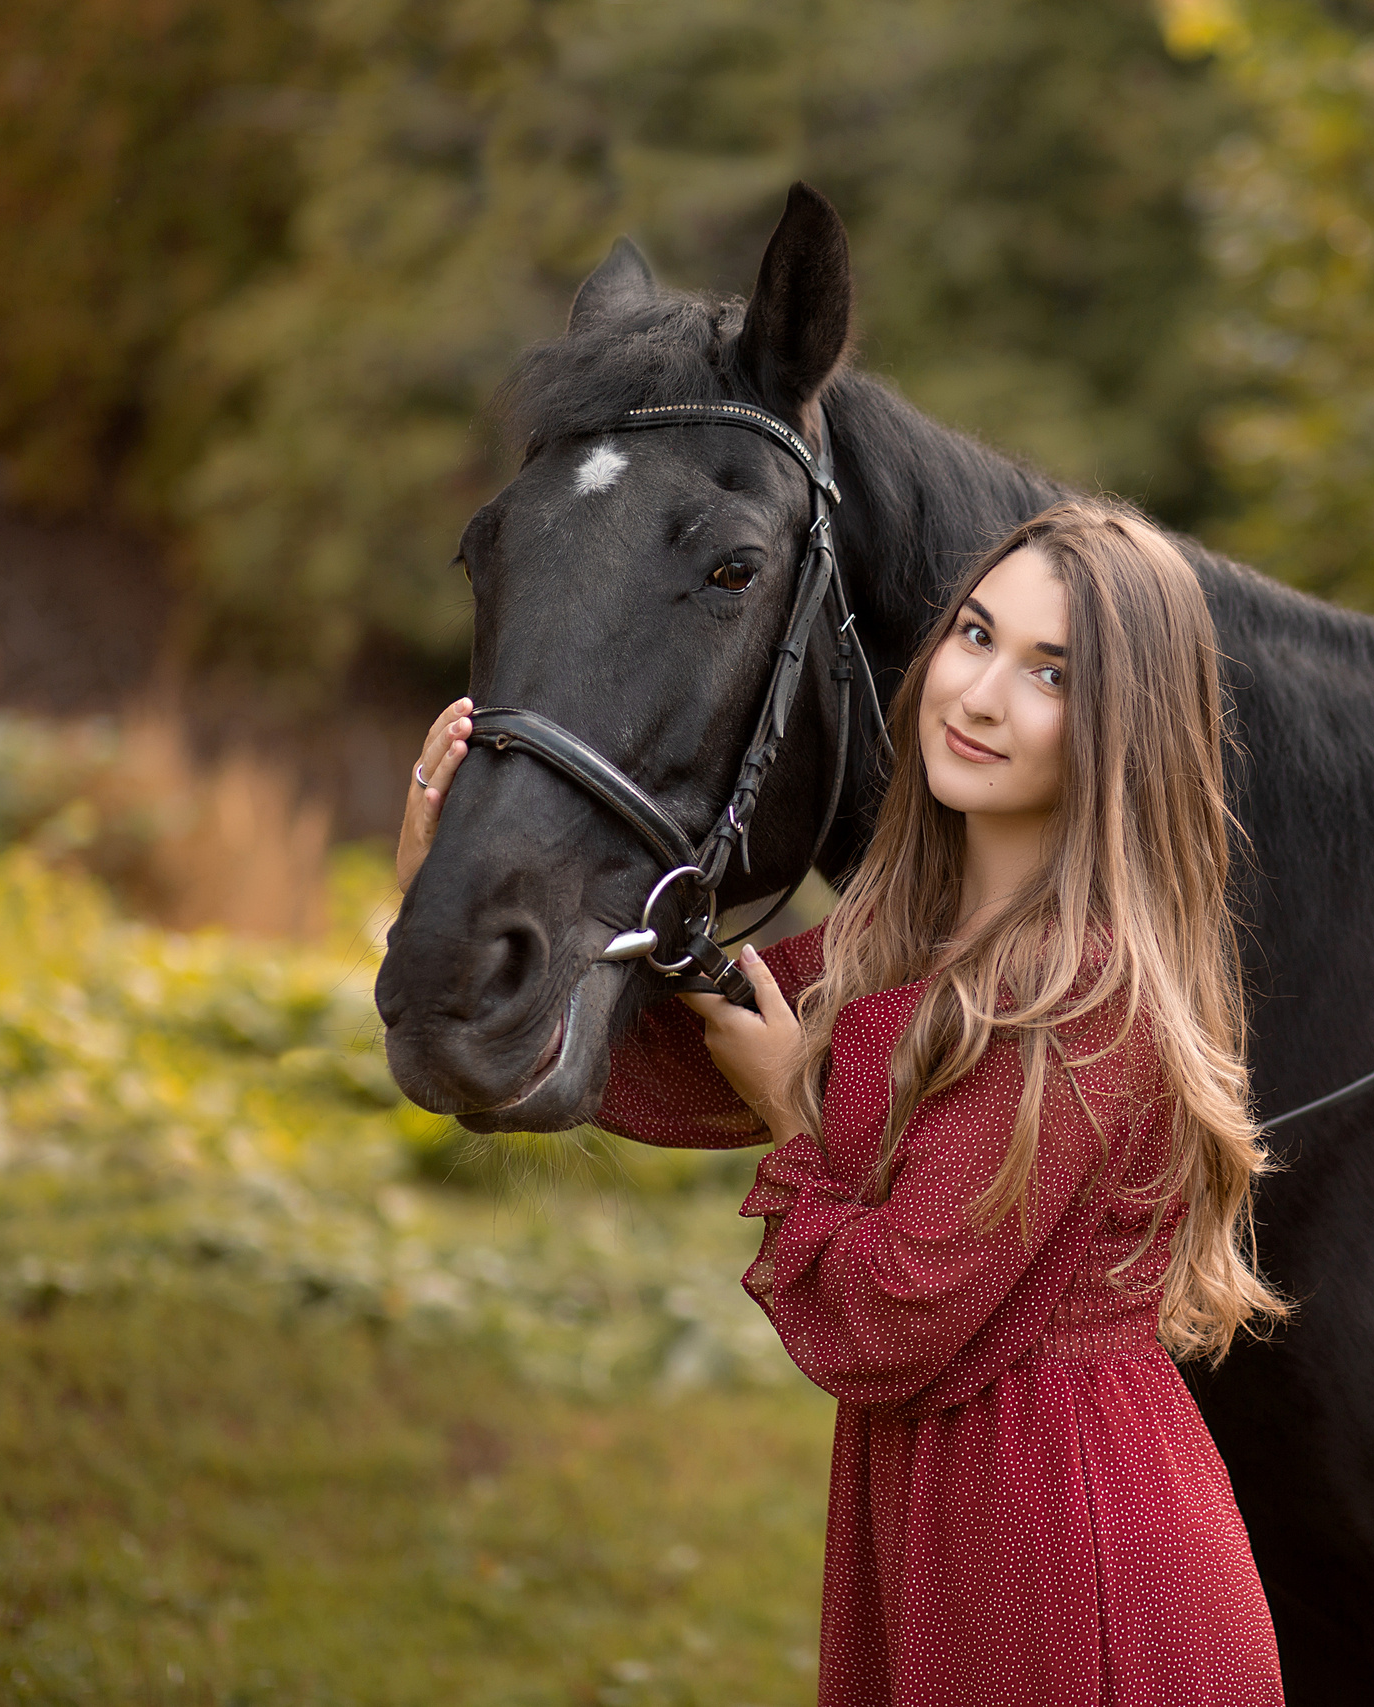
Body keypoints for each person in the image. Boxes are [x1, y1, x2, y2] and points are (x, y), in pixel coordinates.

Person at [401, 499, 1288, 1705]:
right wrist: (446, 898)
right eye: (974, 636)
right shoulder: (900, 939)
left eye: (1050, 674)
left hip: (1068, 1540)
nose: (977, 695)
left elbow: (891, 1315)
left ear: (1123, 732)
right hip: (944, 1509)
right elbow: (661, 1061)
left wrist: (794, 1122)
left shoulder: (1083, 992)